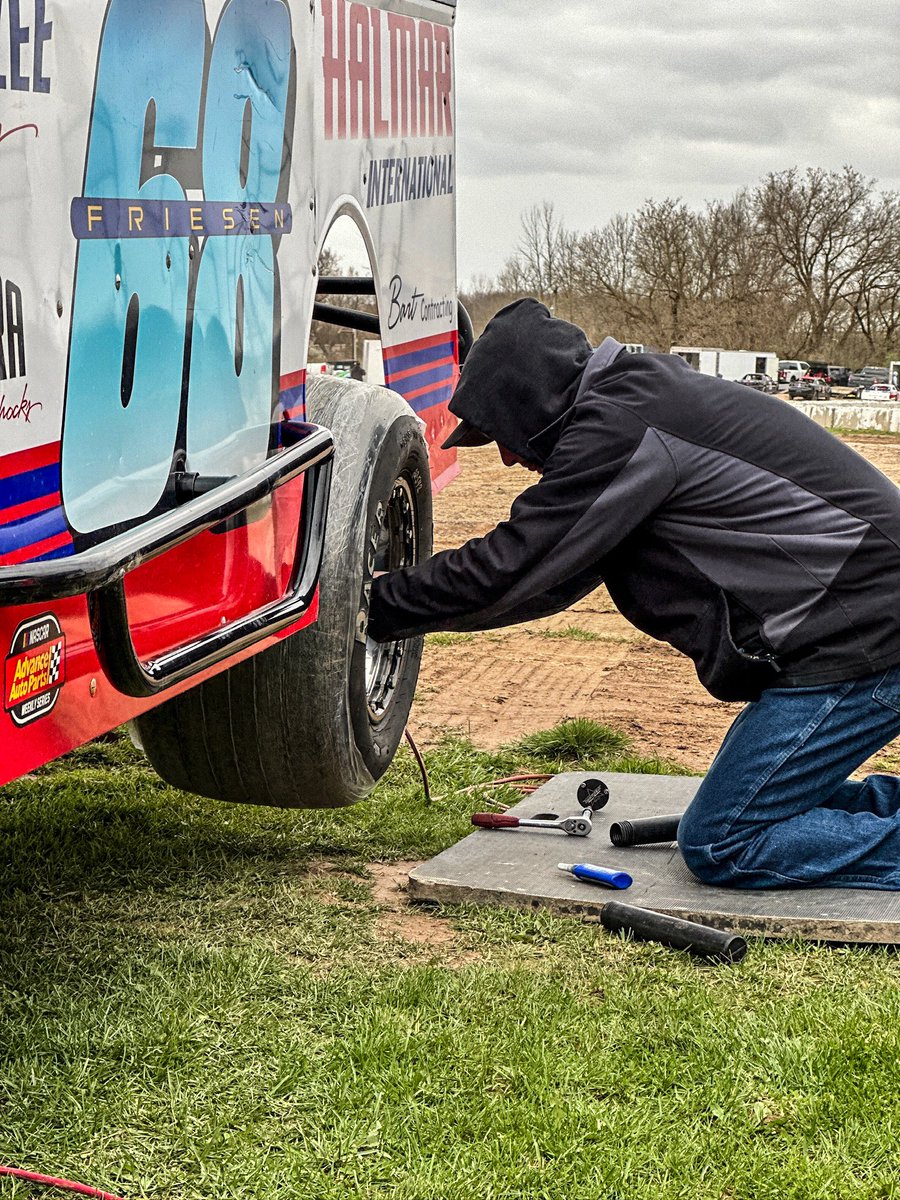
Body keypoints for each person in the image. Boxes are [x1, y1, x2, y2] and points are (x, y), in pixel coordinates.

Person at [368, 299, 900, 891]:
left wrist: (370, 605)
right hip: (859, 621)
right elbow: (547, 582)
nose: (507, 455)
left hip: (863, 634)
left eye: (499, 434)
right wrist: (402, 608)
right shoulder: (639, 400)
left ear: (532, 405)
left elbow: (515, 566)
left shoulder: (622, 424)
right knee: (750, 804)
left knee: (722, 841)